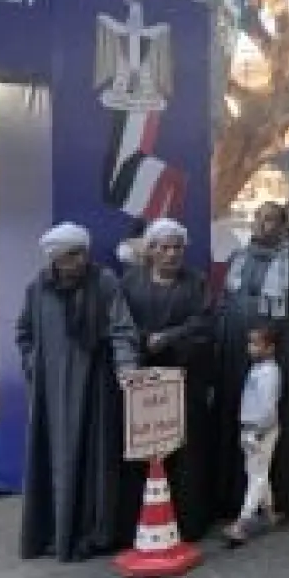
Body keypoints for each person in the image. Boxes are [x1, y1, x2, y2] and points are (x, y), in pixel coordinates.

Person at [16, 222, 139, 562]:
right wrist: (34, 365)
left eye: (82, 253)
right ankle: (56, 533)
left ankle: (94, 533)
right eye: (71, 255)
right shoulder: (38, 288)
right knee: (56, 460)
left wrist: (126, 369)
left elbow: (122, 329)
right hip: (52, 393)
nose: (80, 260)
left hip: (96, 389)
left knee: (96, 461)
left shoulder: (104, 281)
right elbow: (24, 332)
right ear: (55, 258)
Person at [216, 202, 289, 518]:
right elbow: (225, 303)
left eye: (270, 220)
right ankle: (235, 497)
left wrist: (287, 356)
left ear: (284, 226)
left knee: (275, 426)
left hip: (280, 357)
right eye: (258, 218)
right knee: (240, 423)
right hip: (238, 354)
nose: (262, 225)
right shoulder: (238, 258)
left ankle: (282, 497)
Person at [117, 218, 214, 544]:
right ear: (151, 250)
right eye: (164, 248)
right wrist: (146, 340)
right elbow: (121, 324)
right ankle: (141, 521)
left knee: (186, 451)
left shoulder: (197, 282)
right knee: (145, 449)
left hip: (185, 379)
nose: (172, 254)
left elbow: (204, 323)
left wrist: (169, 337)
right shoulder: (130, 283)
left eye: (177, 248)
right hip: (144, 380)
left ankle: (188, 521)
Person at [223, 323, 283, 546]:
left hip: (261, 431)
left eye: (256, 344)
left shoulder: (269, 372)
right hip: (251, 428)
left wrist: (259, 431)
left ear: (270, 348)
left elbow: (268, 407)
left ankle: (242, 522)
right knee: (258, 473)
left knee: (256, 476)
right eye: (250, 343)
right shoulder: (258, 369)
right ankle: (269, 513)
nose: (251, 348)